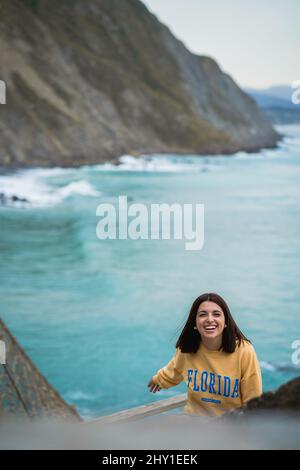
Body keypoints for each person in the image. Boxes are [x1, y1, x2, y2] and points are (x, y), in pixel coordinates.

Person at [147, 292, 262, 417]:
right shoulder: (188, 348)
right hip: (195, 425)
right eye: (202, 315)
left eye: (216, 314)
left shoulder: (244, 351)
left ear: (226, 321)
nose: (210, 319)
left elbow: (253, 400)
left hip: (230, 427)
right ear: (195, 323)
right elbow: (174, 369)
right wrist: (158, 379)